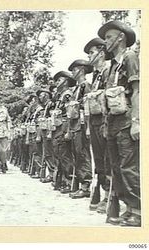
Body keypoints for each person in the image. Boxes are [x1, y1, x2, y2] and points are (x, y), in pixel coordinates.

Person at [98, 20, 140, 227]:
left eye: (108, 37)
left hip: (126, 121)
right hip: (113, 122)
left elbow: (138, 90)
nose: (106, 42)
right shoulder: (113, 65)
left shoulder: (130, 57)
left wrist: (136, 121)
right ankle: (128, 208)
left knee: (129, 166)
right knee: (116, 167)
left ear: (120, 37)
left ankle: (138, 210)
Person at [83, 37, 111, 213]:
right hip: (94, 121)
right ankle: (102, 192)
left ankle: (110, 196)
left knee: (108, 158)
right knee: (99, 159)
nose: (89, 57)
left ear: (101, 53)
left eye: (91, 53)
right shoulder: (96, 76)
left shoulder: (109, 70)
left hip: (105, 120)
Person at [67, 59, 93, 199]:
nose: (73, 73)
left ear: (82, 70)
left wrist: (88, 127)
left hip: (82, 124)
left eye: (75, 70)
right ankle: (81, 182)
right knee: (77, 154)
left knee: (83, 154)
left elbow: (88, 107)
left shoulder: (85, 86)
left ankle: (86, 185)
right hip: (75, 125)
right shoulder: (77, 88)